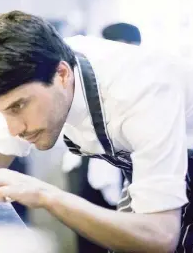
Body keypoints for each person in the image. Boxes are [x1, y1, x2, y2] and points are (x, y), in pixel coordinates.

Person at [0, 11, 193, 253]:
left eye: (18, 106)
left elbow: (160, 237)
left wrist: (45, 195)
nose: (13, 128)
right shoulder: (43, 68)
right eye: (1, 112)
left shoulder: (142, 92)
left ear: (62, 75)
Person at [63, 22, 142, 253]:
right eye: (123, 47)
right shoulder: (87, 69)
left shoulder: (143, 79)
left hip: (124, 164)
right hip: (86, 163)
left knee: (121, 232)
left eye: (133, 48)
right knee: (89, 232)